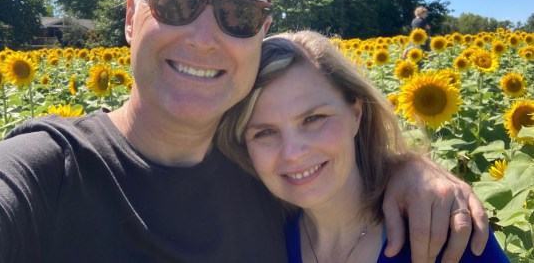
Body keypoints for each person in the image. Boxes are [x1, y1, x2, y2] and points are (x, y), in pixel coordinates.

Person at [0, 0, 487, 262]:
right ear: (131, 15)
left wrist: (408, 169)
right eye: (174, 2)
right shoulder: (47, 175)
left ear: (260, 32)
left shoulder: (264, 175)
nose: (204, 37)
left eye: (238, 14)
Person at [217, 30, 508, 262]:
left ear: (356, 113)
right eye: (264, 132)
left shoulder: (445, 232)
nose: (293, 152)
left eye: (313, 118)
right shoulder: (257, 240)